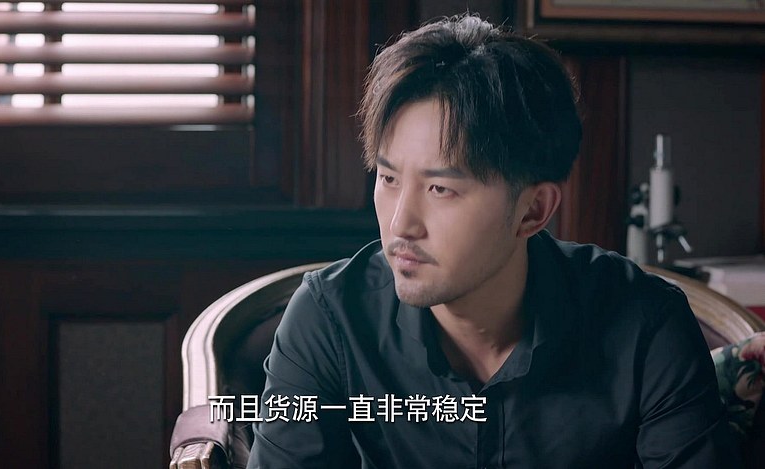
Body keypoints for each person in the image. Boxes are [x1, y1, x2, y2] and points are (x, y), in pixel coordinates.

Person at [247, 14, 739, 469]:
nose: (400, 225)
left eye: (440, 189)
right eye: (389, 178)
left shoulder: (644, 326)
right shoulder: (330, 321)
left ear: (533, 210)